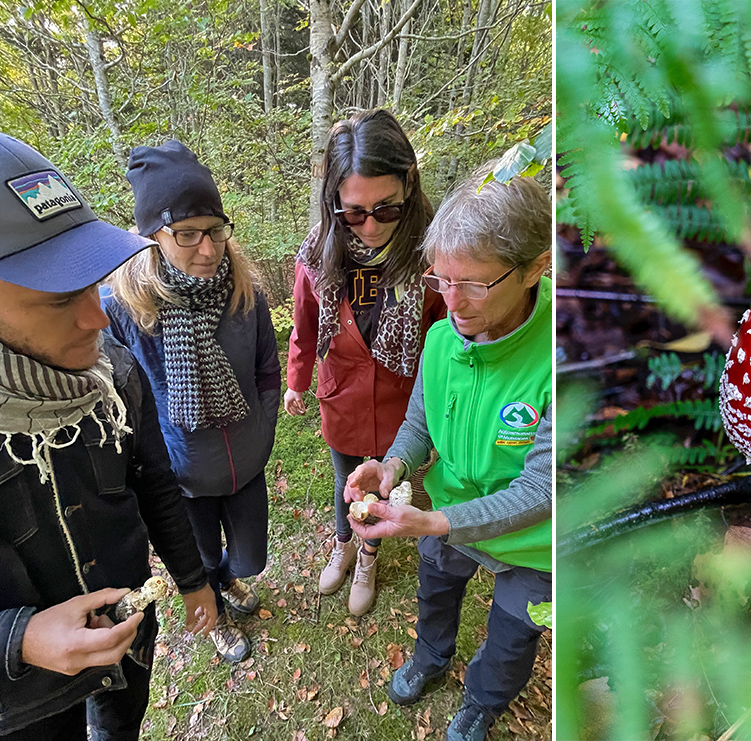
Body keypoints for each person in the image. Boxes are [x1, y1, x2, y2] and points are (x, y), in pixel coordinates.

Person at [0, 134, 218, 739]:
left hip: (128, 642)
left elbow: (155, 483)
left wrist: (194, 580)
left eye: (92, 285)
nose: (97, 318)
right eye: (61, 298)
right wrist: (20, 639)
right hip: (25, 703)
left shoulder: (113, 373)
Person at [343, 165, 552, 741]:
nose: (453, 303)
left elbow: (543, 490)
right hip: (446, 514)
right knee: (435, 593)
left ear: (536, 267)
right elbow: (420, 422)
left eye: (474, 284)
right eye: (441, 281)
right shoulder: (443, 339)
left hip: (535, 546)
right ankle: (431, 658)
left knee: (514, 635)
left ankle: (483, 700)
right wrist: (393, 465)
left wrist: (433, 520)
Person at [103, 140, 280, 664]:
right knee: (200, 556)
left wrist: (262, 432)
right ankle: (216, 606)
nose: (208, 249)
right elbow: (119, 406)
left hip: (246, 464)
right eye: (186, 234)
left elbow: (268, 371)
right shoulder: (124, 310)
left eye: (215, 230)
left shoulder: (245, 291)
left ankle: (228, 579)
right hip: (181, 479)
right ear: (152, 236)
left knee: (249, 557)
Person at [285, 109, 446, 616]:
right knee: (345, 478)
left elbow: (447, 340)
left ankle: (368, 555)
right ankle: (343, 541)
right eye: (354, 212)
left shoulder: (435, 254)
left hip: (405, 402)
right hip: (343, 398)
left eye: (387, 209)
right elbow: (305, 324)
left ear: (409, 186)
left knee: (388, 482)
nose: (371, 226)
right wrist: (297, 381)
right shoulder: (318, 254)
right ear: (334, 202)